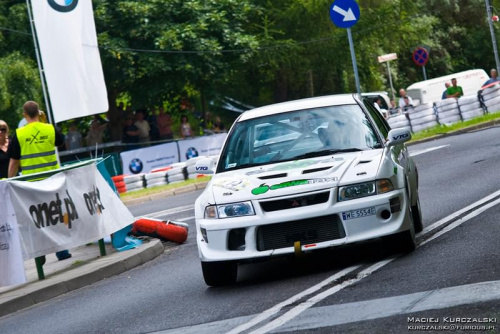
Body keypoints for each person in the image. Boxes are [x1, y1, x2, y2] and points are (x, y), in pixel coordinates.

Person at [7, 101, 71, 261]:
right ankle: (62, 251)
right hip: (52, 180)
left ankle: (39, 255)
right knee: (56, 215)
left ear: (24, 115)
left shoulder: (19, 134)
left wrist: (9, 181)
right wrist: (44, 122)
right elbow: (60, 141)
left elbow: (14, 161)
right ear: (39, 112)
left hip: (32, 184)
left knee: (35, 219)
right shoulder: (49, 129)